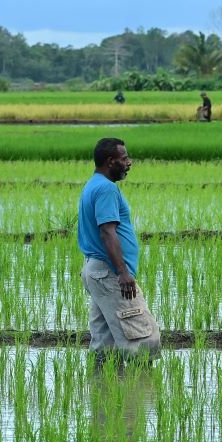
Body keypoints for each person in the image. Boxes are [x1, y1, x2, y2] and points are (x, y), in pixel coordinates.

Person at [78, 138, 160, 361]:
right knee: (142, 341)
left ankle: (104, 391)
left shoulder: (93, 184)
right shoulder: (106, 189)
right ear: (110, 161)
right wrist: (123, 273)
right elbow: (107, 231)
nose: (129, 163)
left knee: (106, 345)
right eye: (124, 159)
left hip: (97, 272)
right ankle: (142, 394)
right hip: (110, 273)